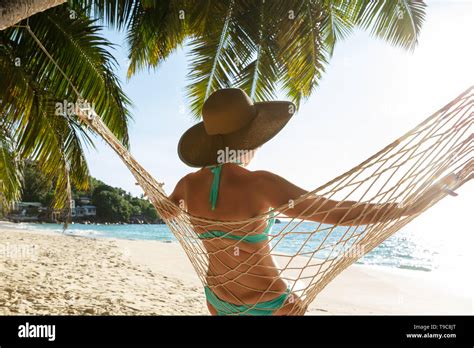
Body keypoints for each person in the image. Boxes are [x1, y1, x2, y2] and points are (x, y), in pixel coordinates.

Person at [167, 88, 458, 316]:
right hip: (270, 307)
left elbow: (167, 211)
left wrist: (153, 191)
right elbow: (335, 213)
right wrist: (407, 207)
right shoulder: (260, 184)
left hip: (218, 301)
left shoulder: (188, 185)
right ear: (249, 140)